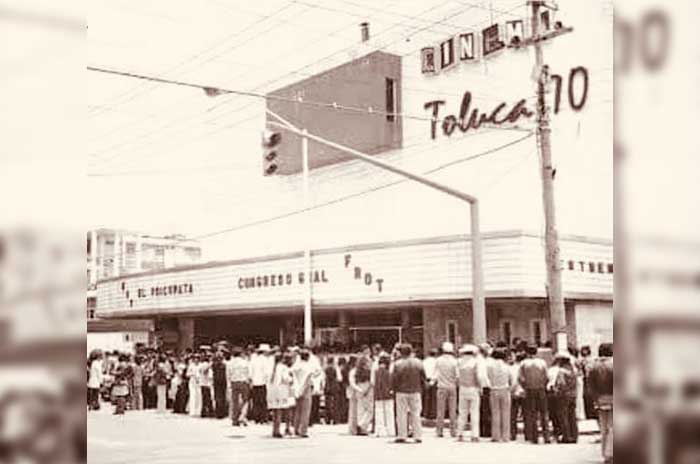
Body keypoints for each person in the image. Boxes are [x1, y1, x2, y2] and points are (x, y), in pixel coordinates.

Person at [392, 343, 425, 444]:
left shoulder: (397, 364)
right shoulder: (419, 363)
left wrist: (394, 389)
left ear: (401, 353)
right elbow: (423, 377)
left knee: (401, 414)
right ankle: (417, 435)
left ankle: (402, 435)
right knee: (416, 414)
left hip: (401, 391)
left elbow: (394, 379)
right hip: (415, 391)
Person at [456, 344, 488, 442]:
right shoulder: (475, 362)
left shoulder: (459, 362)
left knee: (462, 412)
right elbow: (479, 376)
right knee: (474, 412)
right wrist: (481, 387)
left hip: (462, 388)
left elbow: (456, 377)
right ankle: (474, 435)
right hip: (473, 388)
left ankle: (460, 434)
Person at [519, 345, 550, 444]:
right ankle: (546, 436)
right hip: (541, 389)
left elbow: (520, 378)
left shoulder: (524, 363)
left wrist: (525, 386)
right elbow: (547, 377)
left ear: (527, 352)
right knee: (544, 414)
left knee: (532, 414)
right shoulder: (542, 362)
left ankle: (534, 436)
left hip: (529, 389)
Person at [588, 343, 613, 464]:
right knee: (613, 428)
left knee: (603, 428)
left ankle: (605, 454)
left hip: (600, 400)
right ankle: (611, 453)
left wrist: (595, 399)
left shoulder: (593, 366)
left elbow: (591, 386)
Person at [551, 353, 578, 443]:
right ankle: (574, 435)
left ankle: (566, 436)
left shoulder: (561, 371)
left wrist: (556, 390)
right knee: (572, 416)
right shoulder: (573, 371)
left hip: (563, 396)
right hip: (573, 395)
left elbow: (561, 384)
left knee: (563, 416)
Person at [487, 348, 513, 442]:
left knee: (495, 414)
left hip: (494, 390)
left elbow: (488, 377)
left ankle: (496, 436)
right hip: (505, 390)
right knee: (506, 414)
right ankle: (506, 436)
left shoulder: (490, 366)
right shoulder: (507, 366)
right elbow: (511, 379)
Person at [268, 352, 296, 438]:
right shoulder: (283, 368)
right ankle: (285, 429)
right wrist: (291, 379)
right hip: (282, 389)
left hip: (272, 390)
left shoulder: (272, 367)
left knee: (276, 411)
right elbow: (286, 378)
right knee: (285, 410)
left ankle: (275, 429)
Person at [434, 342, 458, 438]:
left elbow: (435, 374)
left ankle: (439, 431)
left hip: (441, 387)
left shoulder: (438, 360)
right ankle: (453, 431)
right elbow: (457, 375)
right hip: (452, 387)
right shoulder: (454, 361)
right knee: (452, 410)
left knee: (440, 410)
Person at [292, 349, 314, 437]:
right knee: (305, 411)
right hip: (306, 389)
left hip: (296, 388)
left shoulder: (296, 366)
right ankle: (303, 430)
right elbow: (308, 380)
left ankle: (296, 429)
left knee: (298, 410)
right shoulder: (308, 367)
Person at [373, 354, 395, 438]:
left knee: (379, 412)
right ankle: (391, 430)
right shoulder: (389, 372)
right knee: (389, 413)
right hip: (388, 394)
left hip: (379, 394)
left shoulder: (376, 372)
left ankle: (380, 431)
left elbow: (375, 383)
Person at [227, 347, 251, 426]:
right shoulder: (245, 362)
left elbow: (228, 374)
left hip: (234, 382)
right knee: (245, 400)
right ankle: (242, 416)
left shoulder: (230, 363)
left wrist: (229, 384)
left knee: (235, 401)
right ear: (240, 354)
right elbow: (249, 373)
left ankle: (234, 419)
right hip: (243, 382)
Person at [249, 344, 271, 424]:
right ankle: (263, 418)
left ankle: (256, 418)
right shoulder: (265, 360)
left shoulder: (254, 359)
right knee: (263, 401)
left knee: (256, 401)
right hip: (263, 382)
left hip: (255, 382)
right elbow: (267, 373)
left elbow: (250, 371)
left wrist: (251, 380)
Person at [353, 352, 373, 435]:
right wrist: (367, 390)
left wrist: (359, 390)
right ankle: (362, 425)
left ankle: (361, 428)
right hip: (367, 388)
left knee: (360, 409)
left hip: (359, 388)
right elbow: (371, 382)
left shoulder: (357, 371)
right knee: (370, 410)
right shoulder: (369, 371)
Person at [510, 352, 526, 441]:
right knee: (527, 415)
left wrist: (511, 391)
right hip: (524, 393)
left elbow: (513, 382)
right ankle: (528, 434)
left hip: (514, 393)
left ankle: (513, 434)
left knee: (513, 416)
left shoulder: (512, 368)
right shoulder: (525, 367)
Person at [323, 357, 341, 424]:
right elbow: (339, 378)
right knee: (335, 404)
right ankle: (335, 420)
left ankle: (327, 419)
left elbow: (323, 378)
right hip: (335, 387)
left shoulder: (325, 369)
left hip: (327, 387)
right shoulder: (336, 369)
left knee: (327, 403)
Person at [422, 348, 438, 420]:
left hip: (426, 380)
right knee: (434, 398)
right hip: (434, 380)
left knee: (426, 398)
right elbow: (437, 372)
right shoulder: (437, 362)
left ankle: (425, 413)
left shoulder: (424, 361)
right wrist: (433, 380)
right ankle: (433, 414)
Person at [212, 352, 228, 419]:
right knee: (221, 397)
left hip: (217, 382)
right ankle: (221, 412)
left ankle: (219, 412)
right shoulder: (224, 365)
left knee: (218, 397)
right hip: (222, 382)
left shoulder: (214, 365)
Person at [345, 355, 359, 435]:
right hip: (353, 392)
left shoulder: (351, 370)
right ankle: (353, 429)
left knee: (353, 411)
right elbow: (352, 383)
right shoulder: (353, 371)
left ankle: (353, 429)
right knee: (353, 411)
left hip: (352, 391)